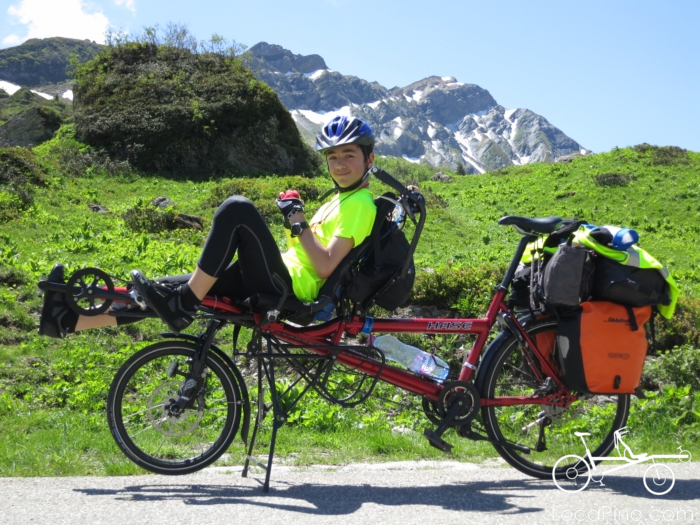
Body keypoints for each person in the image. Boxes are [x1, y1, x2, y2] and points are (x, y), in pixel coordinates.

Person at [39, 116, 378, 337]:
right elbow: (309, 247)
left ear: (369, 159)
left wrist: (298, 221)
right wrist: (295, 219)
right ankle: (69, 320)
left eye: (349, 155)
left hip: (289, 290)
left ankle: (184, 304)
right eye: (333, 157)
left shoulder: (361, 204)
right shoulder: (339, 199)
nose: (339, 164)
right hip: (278, 276)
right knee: (159, 292)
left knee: (237, 209)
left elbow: (322, 265)